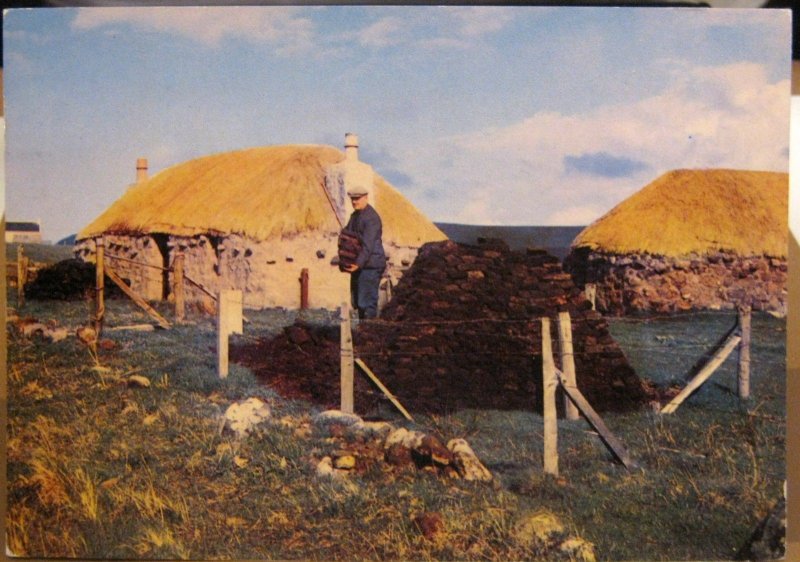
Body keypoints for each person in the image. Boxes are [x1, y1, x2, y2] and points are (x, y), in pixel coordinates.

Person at [341, 185, 386, 319]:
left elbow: (368, 245)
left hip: (371, 266)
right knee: (358, 302)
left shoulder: (371, 218)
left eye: (357, 198)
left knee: (367, 303)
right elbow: (348, 238)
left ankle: (369, 335)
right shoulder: (355, 216)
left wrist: (358, 264)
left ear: (366, 198)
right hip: (361, 266)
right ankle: (363, 333)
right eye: (352, 199)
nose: (354, 201)